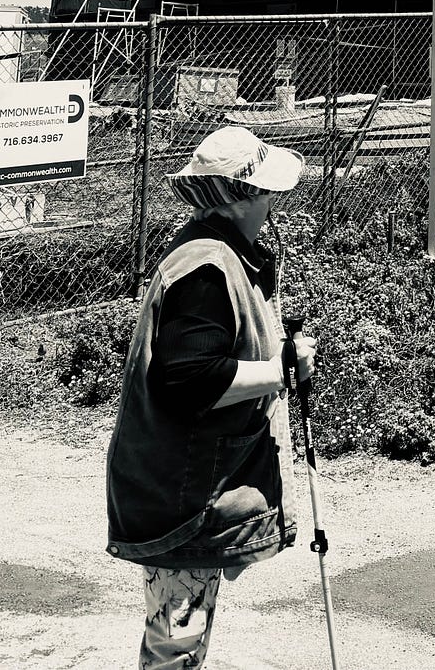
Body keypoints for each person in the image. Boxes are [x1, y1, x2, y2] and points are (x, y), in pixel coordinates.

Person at [105, 124, 315, 670]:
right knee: (178, 636)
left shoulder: (216, 250)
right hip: (184, 490)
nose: (275, 200)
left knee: (183, 628)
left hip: (195, 480)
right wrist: (282, 370)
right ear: (242, 195)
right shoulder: (206, 268)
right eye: (267, 189)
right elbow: (192, 379)